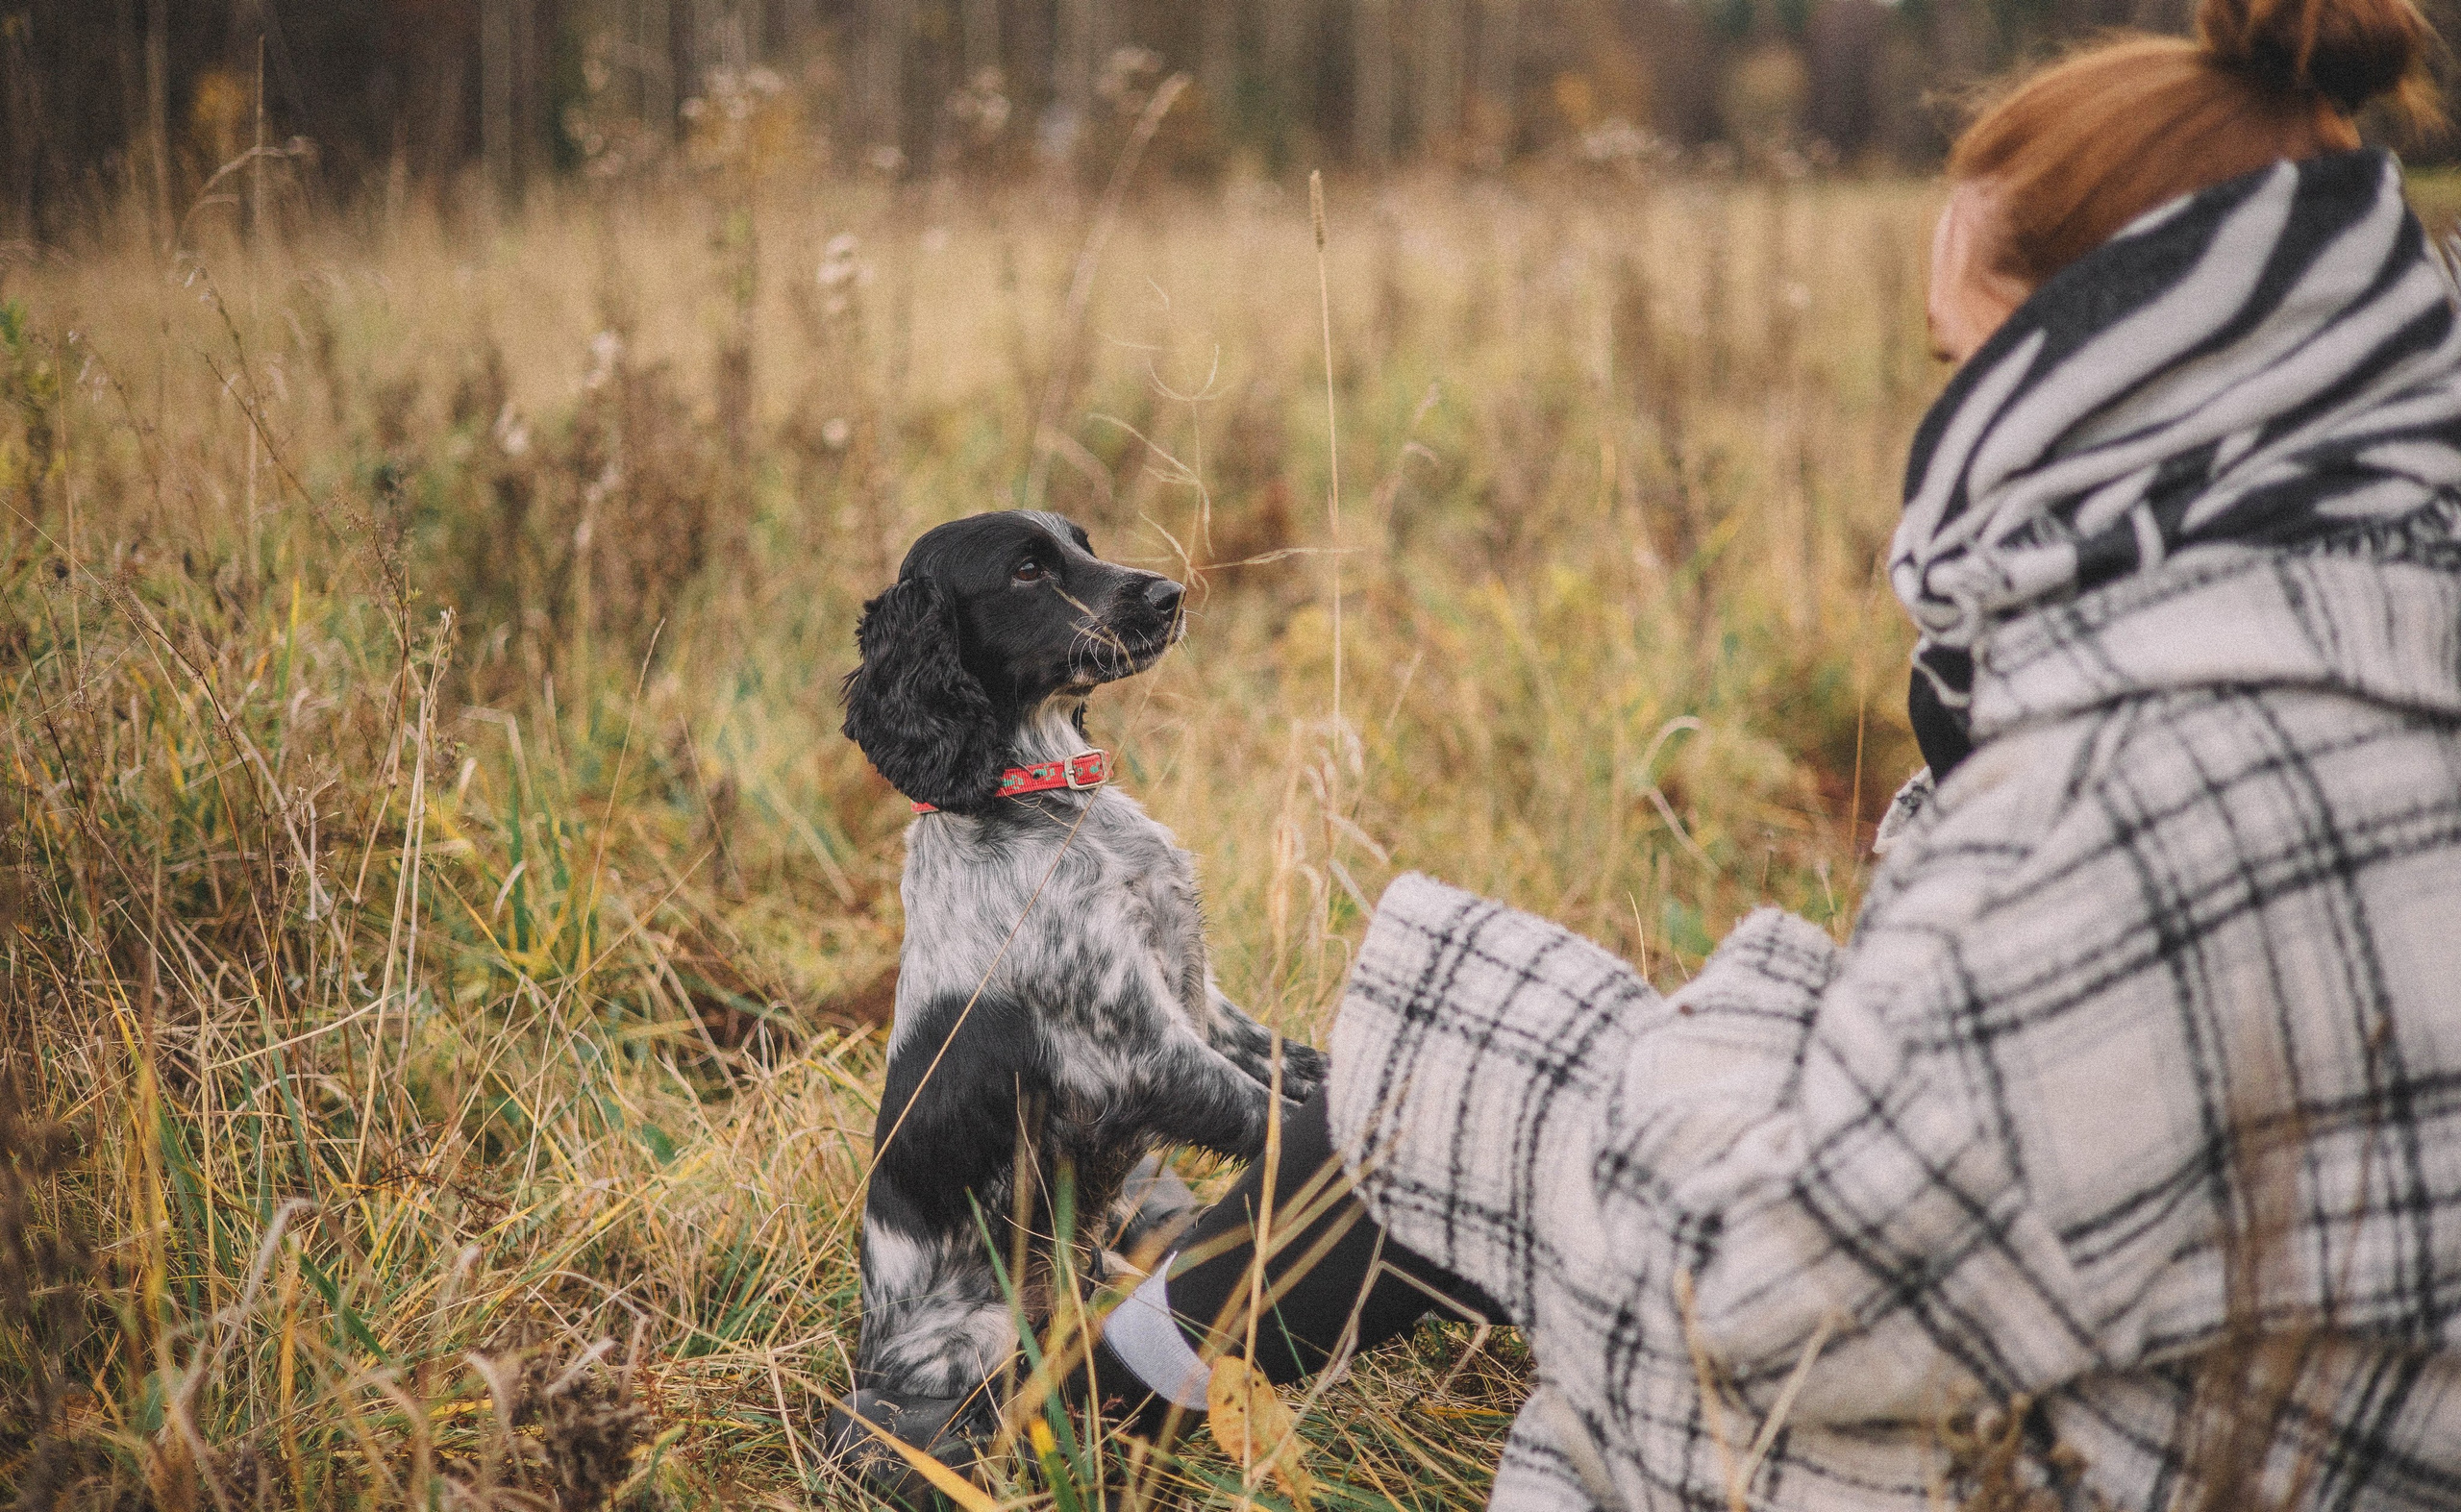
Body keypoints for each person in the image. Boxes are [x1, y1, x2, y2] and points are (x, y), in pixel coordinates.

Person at [1078, 0, 2461, 1504]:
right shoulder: (2358, 626)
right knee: (1510, 1077)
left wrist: (1572, 1067)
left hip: (2143, 1453)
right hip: (2220, 1377)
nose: (1952, 429)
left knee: (1476, 1076)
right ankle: (1128, 1353)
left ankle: (1056, 1410)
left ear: (2111, 376)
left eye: (1970, 365)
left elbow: (1772, 1290)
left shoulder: (2158, 771)